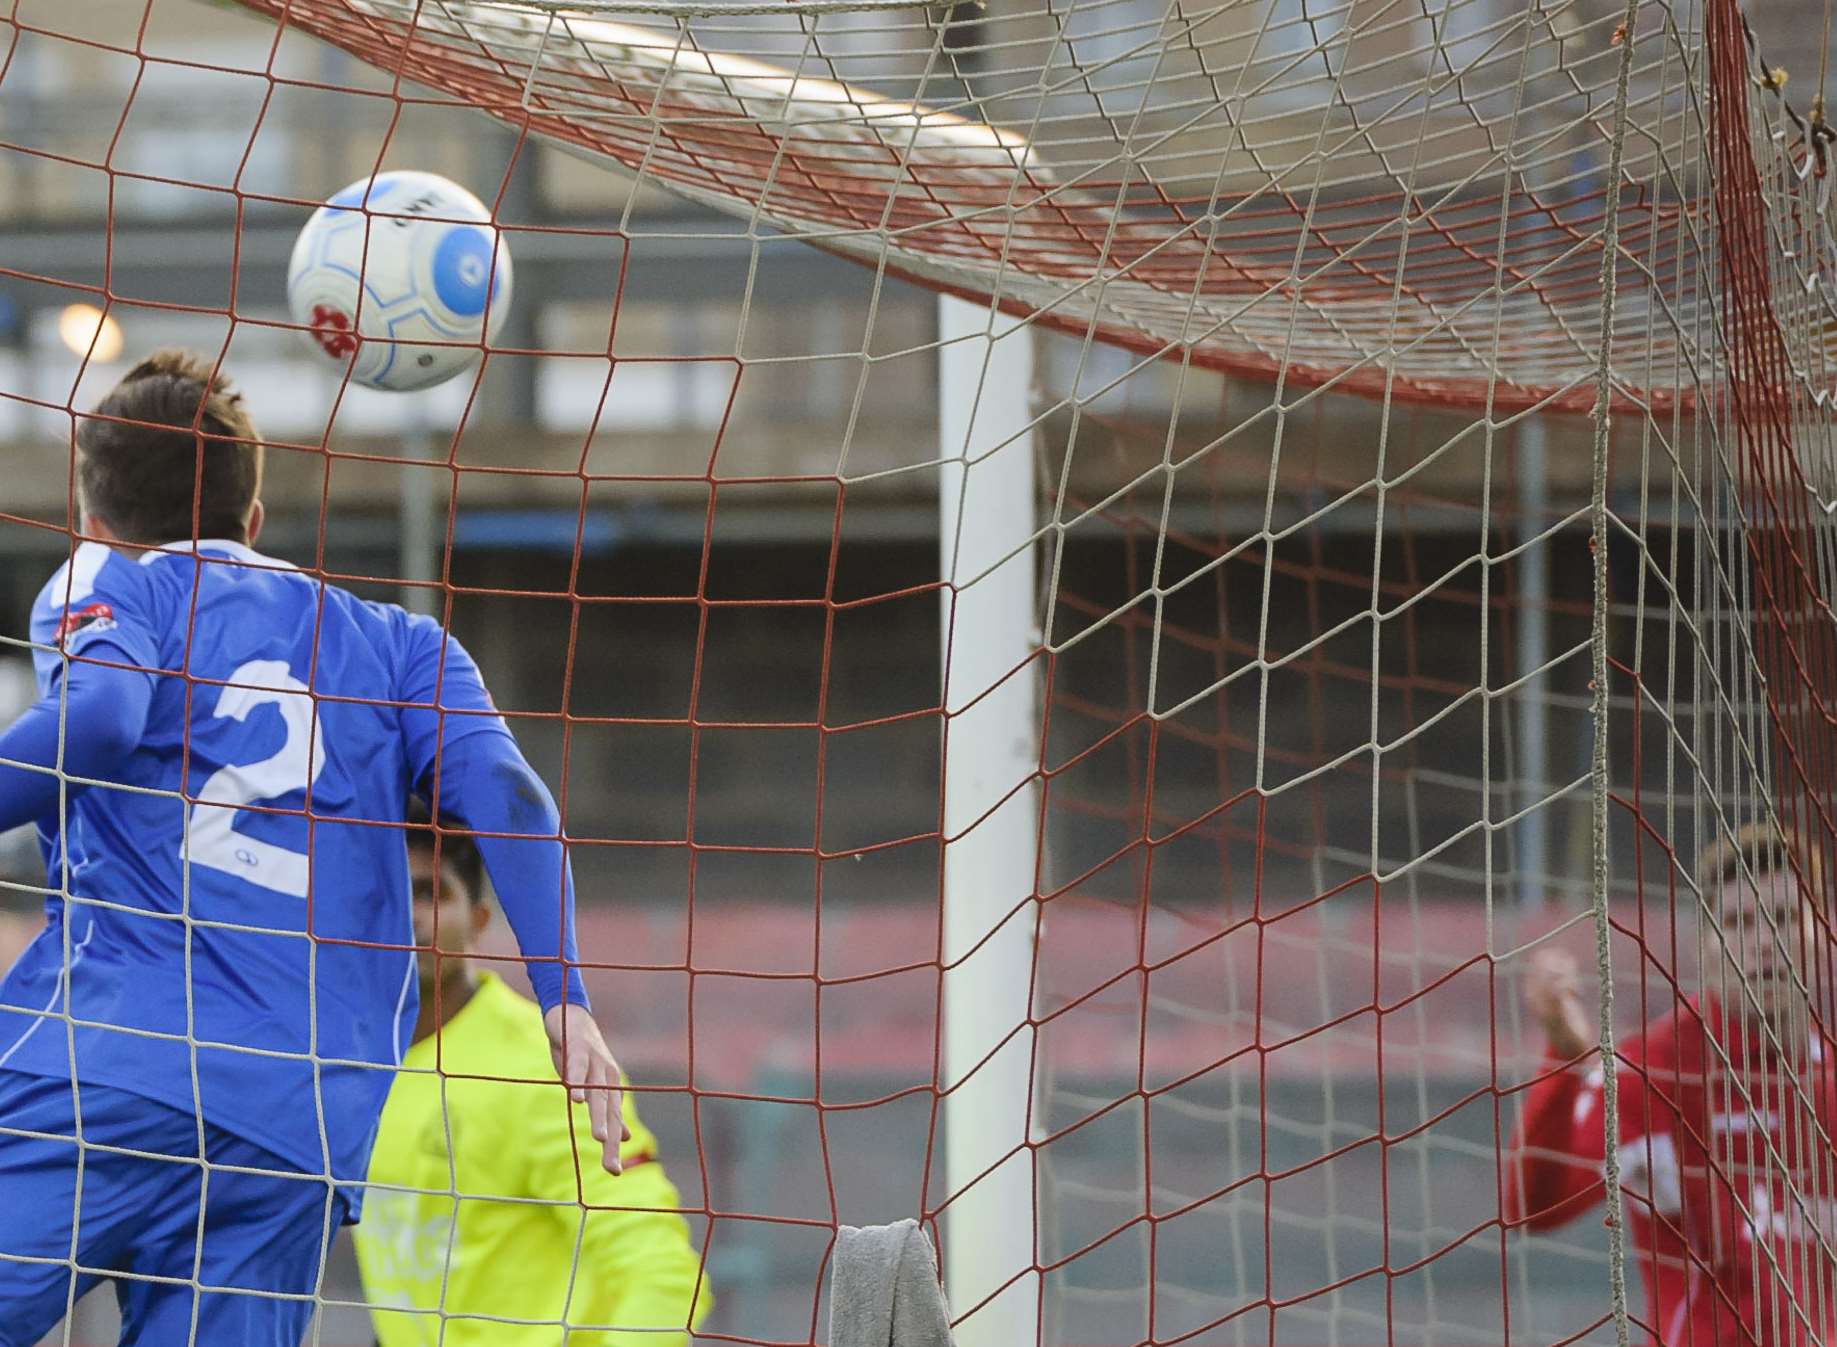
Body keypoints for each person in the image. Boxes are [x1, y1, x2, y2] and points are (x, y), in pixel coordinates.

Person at [0, 351, 627, 1346]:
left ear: (92, 517)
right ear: (253, 520)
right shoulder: (403, 646)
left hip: (110, 1058)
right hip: (296, 1113)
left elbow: (106, 717)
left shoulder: (111, 581)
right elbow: (512, 799)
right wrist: (567, 999)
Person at [354, 805, 710, 1345]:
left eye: (431, 893)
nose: (407, 914)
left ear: (478, 921)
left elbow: (664, 1271)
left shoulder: (540, 1067)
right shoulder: (340, 1061)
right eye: (386, 893)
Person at [1506, 823, 1837, 1346]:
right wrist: (1563, 1059)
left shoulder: (1828, 1081)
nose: (1764, 943)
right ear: (1704, 946)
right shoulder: (1651, 1073)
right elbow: (1533, 1208)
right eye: (1738, 922)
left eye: (1785, 917)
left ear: (1823, 933)